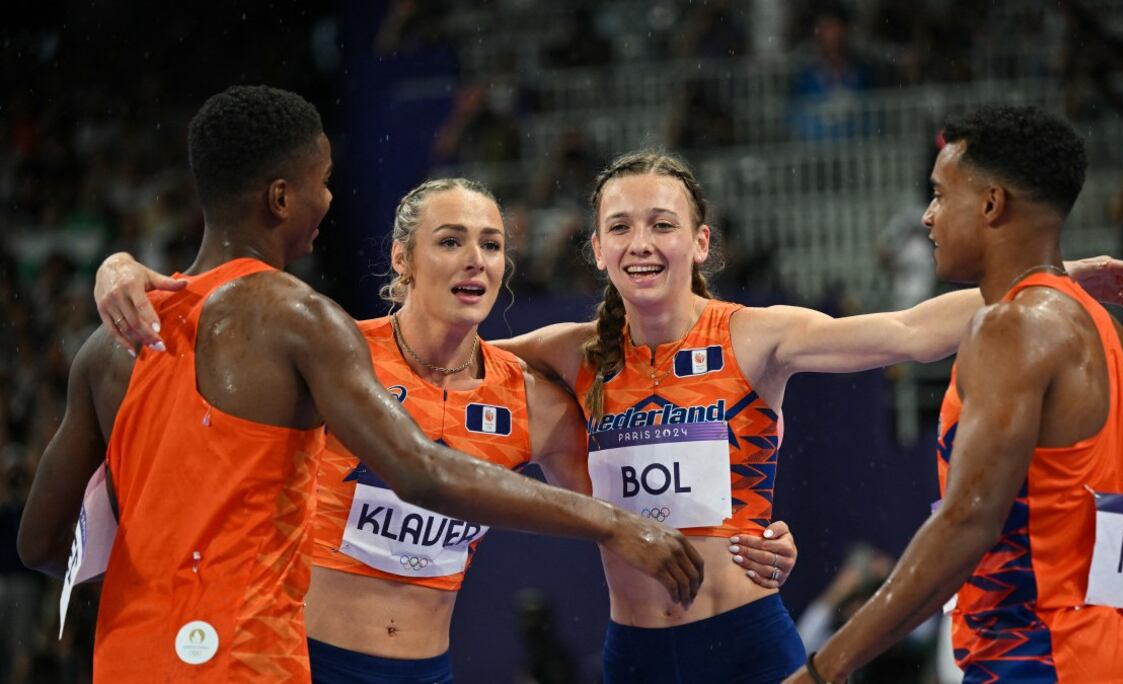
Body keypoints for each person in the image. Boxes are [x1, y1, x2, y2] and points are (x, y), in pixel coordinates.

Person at [99, 148, 1123, 683]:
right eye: (618, 227)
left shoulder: (759, 335)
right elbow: (399, 355)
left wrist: (1034, 277)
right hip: (633, 654)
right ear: (595, 251)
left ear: (702, 241)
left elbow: (909, 331)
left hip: (750, 639)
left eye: (661, 223)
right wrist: (148, 276)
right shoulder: (560, 361)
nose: (640, 241)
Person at [16, 86, 704, 682]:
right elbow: (425, 473)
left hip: (138, 660)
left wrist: (166, 606)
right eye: (323, 180)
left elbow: (41, 544)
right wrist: (617, 526)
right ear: (282, 198)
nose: (329, 198)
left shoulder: (111, 344)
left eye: (492, 244)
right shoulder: (313, 330)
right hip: (266, 659)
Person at [91, 176, 790, 683]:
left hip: (428, 670)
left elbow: (636, 515)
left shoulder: (531, 401)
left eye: (490, 244)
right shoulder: (335, 358)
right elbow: (209, 336)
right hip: (307, 659)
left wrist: (754, 541)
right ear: (403, 259)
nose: (474, 261)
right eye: (450, 241)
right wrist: (122, 270)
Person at [788, 106, 1123, 683]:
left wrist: (822, 670)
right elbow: (1114, 519)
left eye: (941, 196)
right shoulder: (1105, 331)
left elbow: (967, 523)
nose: (927, 216)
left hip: (1042, 661)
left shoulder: (1009, 329)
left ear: (992, 205)